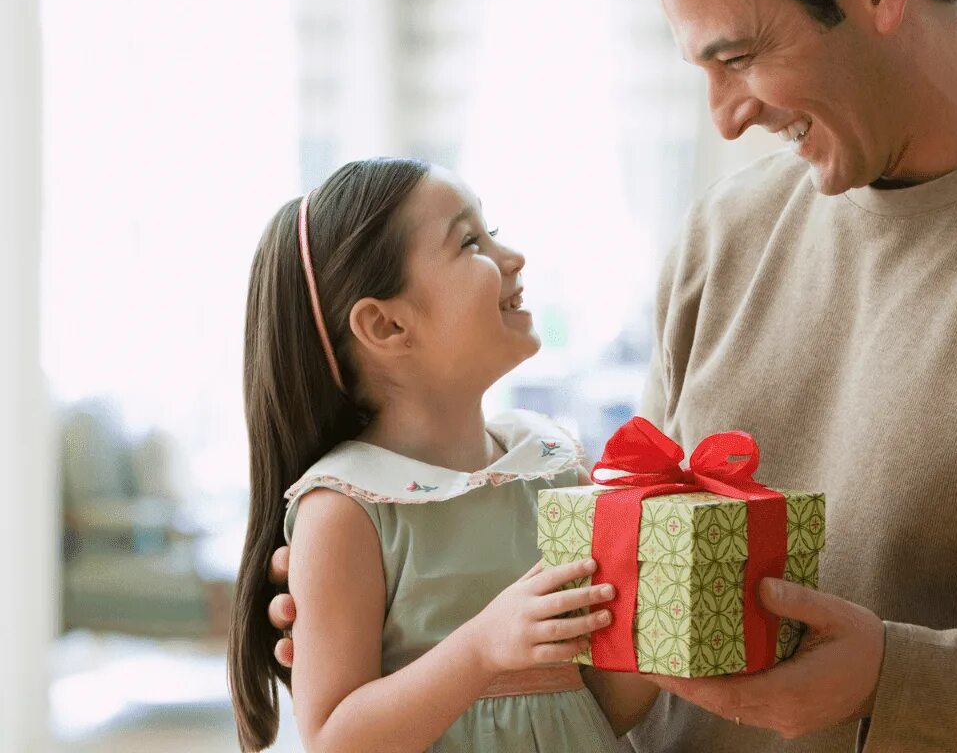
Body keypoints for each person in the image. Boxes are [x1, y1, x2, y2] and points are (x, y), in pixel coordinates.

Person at [267, 0, 957, 750]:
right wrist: (409, 610)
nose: (723, 118)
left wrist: (894, 677)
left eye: (743, 56)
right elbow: (629, 602)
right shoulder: (724, 237)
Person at [228, 158, 660, 752]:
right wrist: (481, 647)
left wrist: (666, 629)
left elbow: (592, 709)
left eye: (493, 232)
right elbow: (333, 739)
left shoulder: (555, 469)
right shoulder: (346, 509)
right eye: (470, 242)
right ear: (386, 325)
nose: (512, 258)